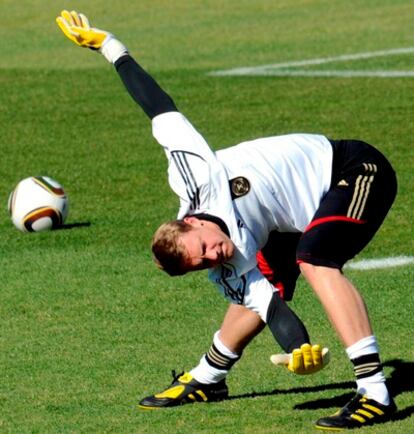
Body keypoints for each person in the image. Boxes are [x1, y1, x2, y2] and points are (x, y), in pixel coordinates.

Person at [56, 11, 398, 430]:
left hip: (355, 170)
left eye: (203, 249)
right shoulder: (225, 266)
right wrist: (300, 349)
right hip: (285, 221)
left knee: (314, 257)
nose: (213, 257)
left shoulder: (195, 170)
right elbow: (272, 310)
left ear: (193, 223)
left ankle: (376, 392)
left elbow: (156, 104)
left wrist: (110, 47)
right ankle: (208, 378)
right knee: (267, 277)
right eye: (202, 264)